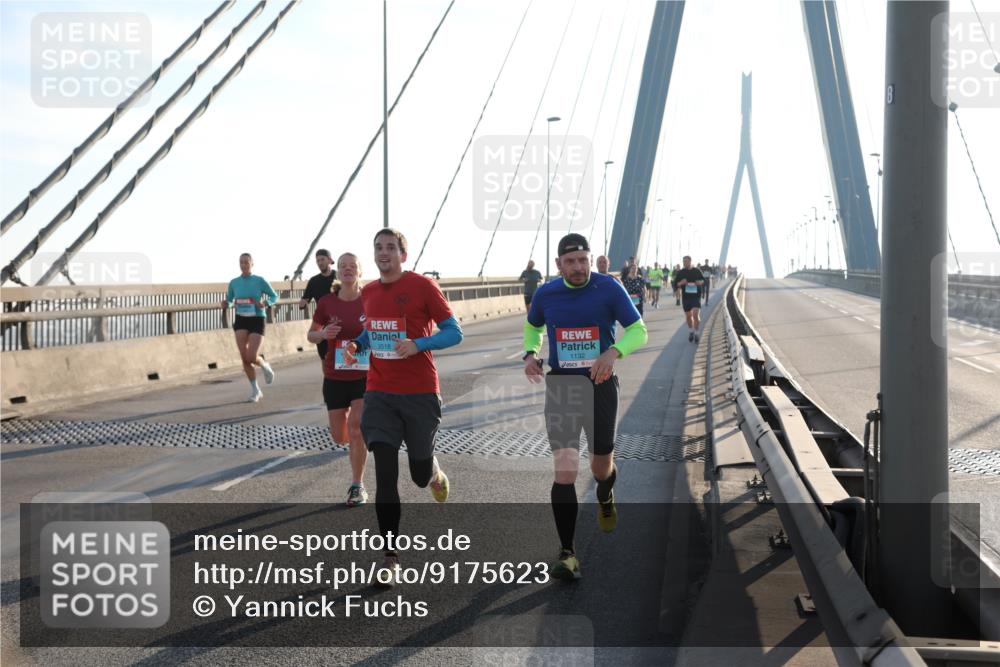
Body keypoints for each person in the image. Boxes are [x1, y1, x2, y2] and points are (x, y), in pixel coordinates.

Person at [523, 233, 648, 580]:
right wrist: (530, 354)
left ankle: (606, 492)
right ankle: (567, 553)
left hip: (600, 387)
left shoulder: (609, 288)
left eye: (583, 260)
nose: (578, 267)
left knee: (599, 466)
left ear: (591, 260)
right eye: (571, 262)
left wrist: (614, 352)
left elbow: (639, 330)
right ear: (558, 264)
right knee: (564, 469)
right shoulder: (546, 293)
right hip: (562, 388)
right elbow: (532, 327)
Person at [343, 228, 463, 586]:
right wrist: (356, 345)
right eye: (378, 247)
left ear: (403, 255)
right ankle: (390, 558)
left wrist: (418, 344)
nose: (384, 253)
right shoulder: (369, 292)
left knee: (419, 474)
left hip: (420, 392)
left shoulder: (423, 286)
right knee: (385, 473)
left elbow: (454, 331)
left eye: (391, 248)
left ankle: (433, 472)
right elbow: (373, 333)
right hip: (379, 393)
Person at [308, 253, 369, 507]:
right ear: (338, 272)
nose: (347, 269)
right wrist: (323, 334)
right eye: (343, 266)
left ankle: (357, 485)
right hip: (334, 376)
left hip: (363, 376)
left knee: (356, 429)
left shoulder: (369, 299)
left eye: (352, 266)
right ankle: (357, 445)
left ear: (359, 271)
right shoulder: (327, 302)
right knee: (340, 436)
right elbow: (311, 335)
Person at [223, 253, 278, 402]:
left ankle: (264, 365)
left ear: (252, 264)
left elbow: (274, 296)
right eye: (241, 262)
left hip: (257, 319)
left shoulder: (259, 281)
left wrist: (265, 303)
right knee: (244, 358)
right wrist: (227, 304)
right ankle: (256, 390)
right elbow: (230, 300)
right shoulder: (234, 282)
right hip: (241, 319)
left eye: (246, 262)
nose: (244, 265)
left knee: (251, 357)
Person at [300, 249, 338, 361]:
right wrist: (302, 303)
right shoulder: (314, 281)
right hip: (321, 323)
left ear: (330, 260)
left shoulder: (339, 276)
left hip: (339, 321)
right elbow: (305, 300)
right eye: (318, 261)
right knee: (324, 357)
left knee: (341, 357)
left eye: (322, 259)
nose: (320, 263)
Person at [675, 256, 706, 342]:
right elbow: (676, 284)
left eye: (686, 261)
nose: (684, 263)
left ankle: (696, 333)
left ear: (690, 261)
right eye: (683, 261)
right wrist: (681, 283)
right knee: (688, 316)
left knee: (695, 315)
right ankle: (691, 331)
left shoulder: (697, 271)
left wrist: (699, 282)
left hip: (696, 296)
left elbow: (703, 281)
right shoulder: (681, 272)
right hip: (686, 297)